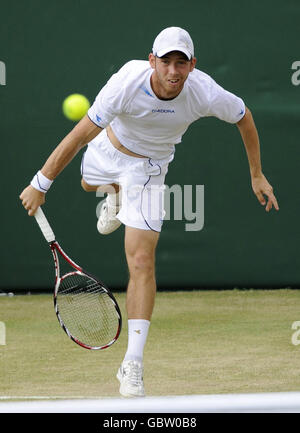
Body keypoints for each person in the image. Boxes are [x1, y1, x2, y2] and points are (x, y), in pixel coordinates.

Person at [19, 26, 279, 398]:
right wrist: (39, 183)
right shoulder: (126, 81)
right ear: (152, 61)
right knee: (87, 185)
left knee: (142, 261)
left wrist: (256, 173)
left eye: (182, 63)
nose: (174, 72)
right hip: (107, 150)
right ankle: (116, 195)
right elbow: (79, 135)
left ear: (192, 65)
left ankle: (134, 363)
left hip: (149, 170)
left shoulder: (203, 91)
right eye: (167, 62)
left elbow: (244, 117)